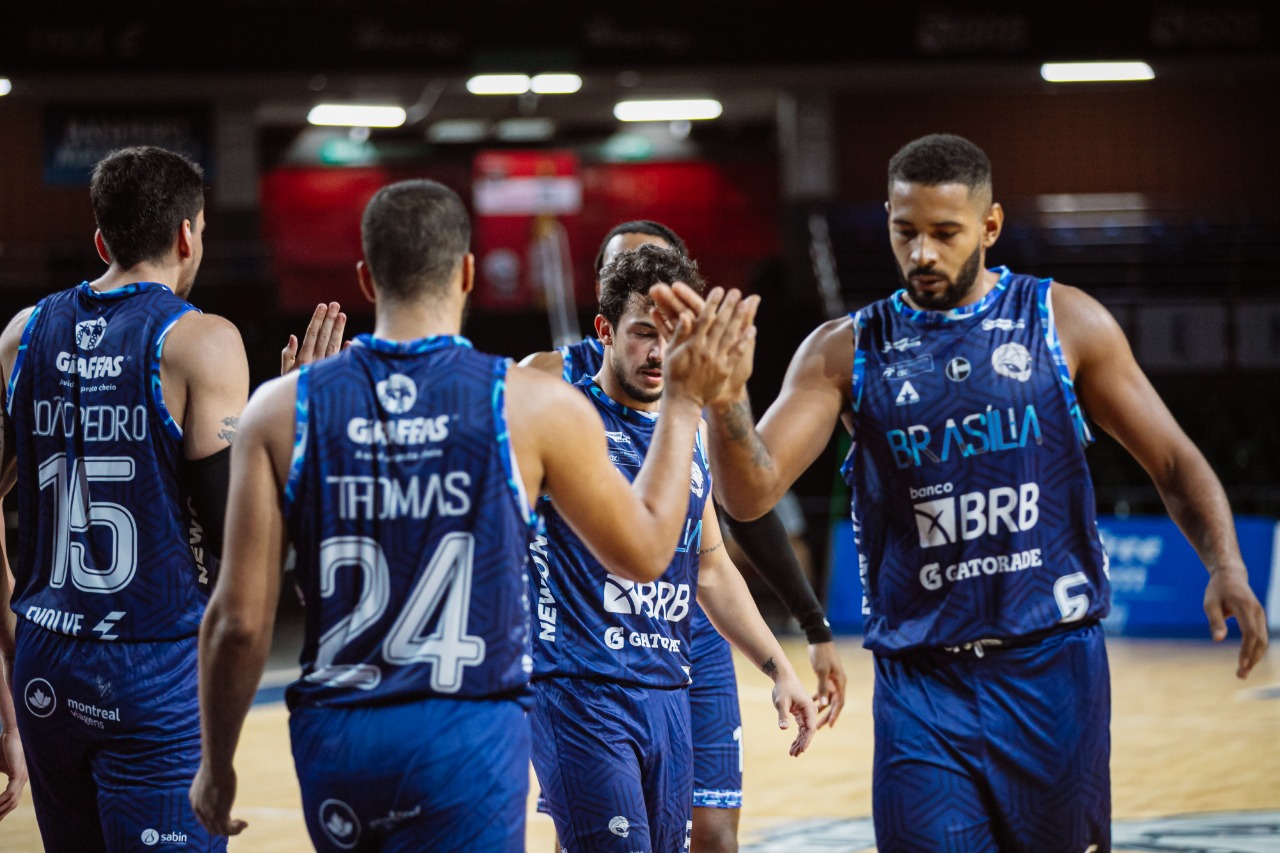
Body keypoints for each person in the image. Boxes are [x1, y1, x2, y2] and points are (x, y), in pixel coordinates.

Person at [696, 133, 1269, 852]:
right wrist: (724, 402)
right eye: (906, 232)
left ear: (989, 226)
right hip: (921, 683)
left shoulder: (1064, 322)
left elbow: (1175, 461)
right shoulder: (843, 350)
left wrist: (1227, 565)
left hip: (1051, 670)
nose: (923, 254)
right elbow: (748, 494)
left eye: (945, 233)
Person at [187, 179, 758, 851]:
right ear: (467, 272)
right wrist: (687, 402)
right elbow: (648, 552)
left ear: (368, 278)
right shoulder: (530, 405)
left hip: (342, 732)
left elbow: (239, 620)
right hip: (467, 733)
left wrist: (217, 763)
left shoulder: (282, 409)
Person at [521, 221, 846, 852]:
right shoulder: (553, 406)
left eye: (672, 339)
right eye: (644, 333)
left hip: (667, 683)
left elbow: (712, 563)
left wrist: (779, 668)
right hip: (581, 685)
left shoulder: (690, 426)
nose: (658, 354)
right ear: (605, 328)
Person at [0, 145, 248, 851]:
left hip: (45, 655)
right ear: (187, 234)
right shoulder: (202, 341)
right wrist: (299, 421)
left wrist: (10, 623)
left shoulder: (22, 333)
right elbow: (241, 543)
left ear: (101, 239)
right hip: (152, 665)